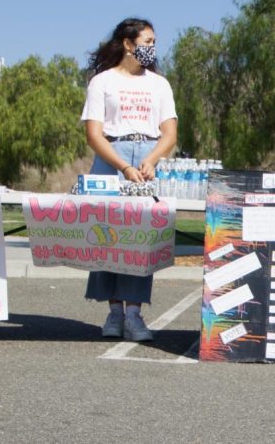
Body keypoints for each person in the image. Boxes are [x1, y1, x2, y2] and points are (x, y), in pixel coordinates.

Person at [80, 18, 178, 341]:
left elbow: (169, 133)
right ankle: (114, 313)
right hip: (113, 157)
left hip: (147, 155)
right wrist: (123, 165)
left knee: (140, 238)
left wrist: (151, 159)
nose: (152, 48)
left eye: (154, 43)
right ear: (128, 43)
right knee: (107, 235)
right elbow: (94, 134)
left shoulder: (160, 84)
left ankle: (134, 315)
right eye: (147, 41)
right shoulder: (102, 82)